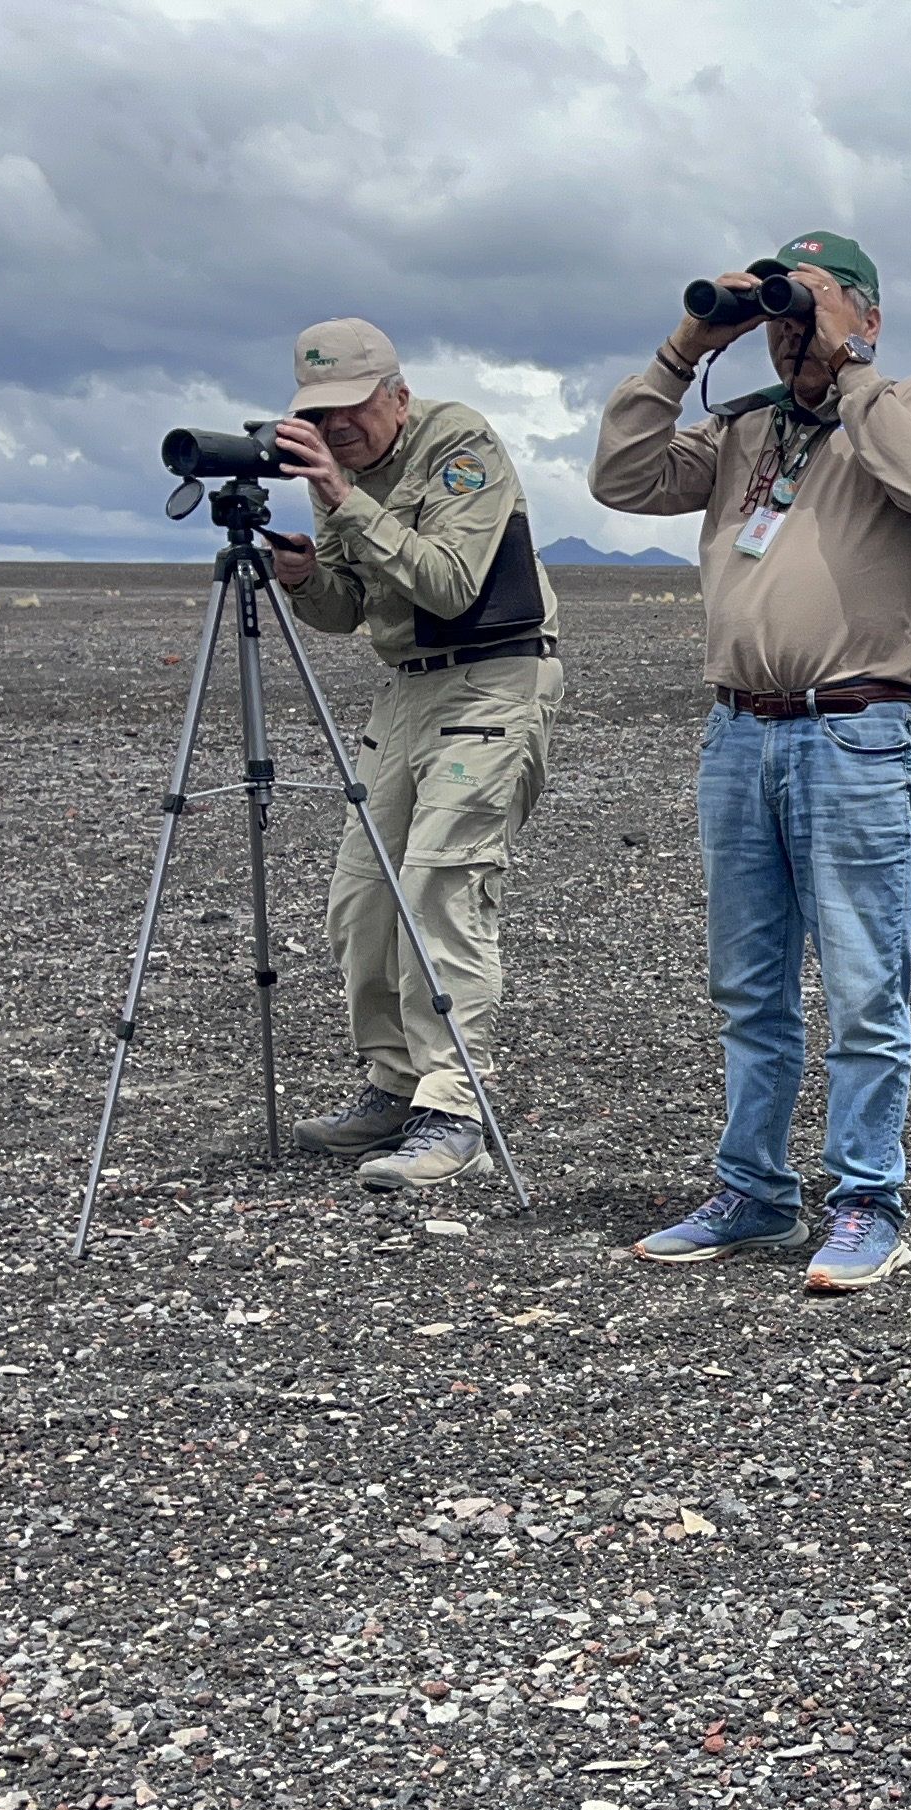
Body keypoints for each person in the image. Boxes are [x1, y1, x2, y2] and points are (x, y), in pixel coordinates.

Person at [587, 234, 911, 1292]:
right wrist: (685, 348)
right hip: (738, 732)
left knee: (863, 986)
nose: (791, 329)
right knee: (748, 987)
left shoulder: (909, 405)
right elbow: (622, 477)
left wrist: (849, 367)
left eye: (815, 303)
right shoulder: (744, 426)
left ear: (870, 316)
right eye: (781, 314)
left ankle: (867, 1202)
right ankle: (752, 1190)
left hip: (854, 730)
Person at [273, 316, 565, 1193]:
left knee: (442, 884)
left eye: (351, 409)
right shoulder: (336, 473)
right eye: (318, 416)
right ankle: (395, 1083)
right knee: (363, 897)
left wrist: (343, 497)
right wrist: (303, 579)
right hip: (405, 688)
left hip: (492, 681)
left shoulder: (458, 443)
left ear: (397, 395)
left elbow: (449, 582)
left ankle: (453, 1107)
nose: (336, 430)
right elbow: (346, 612)